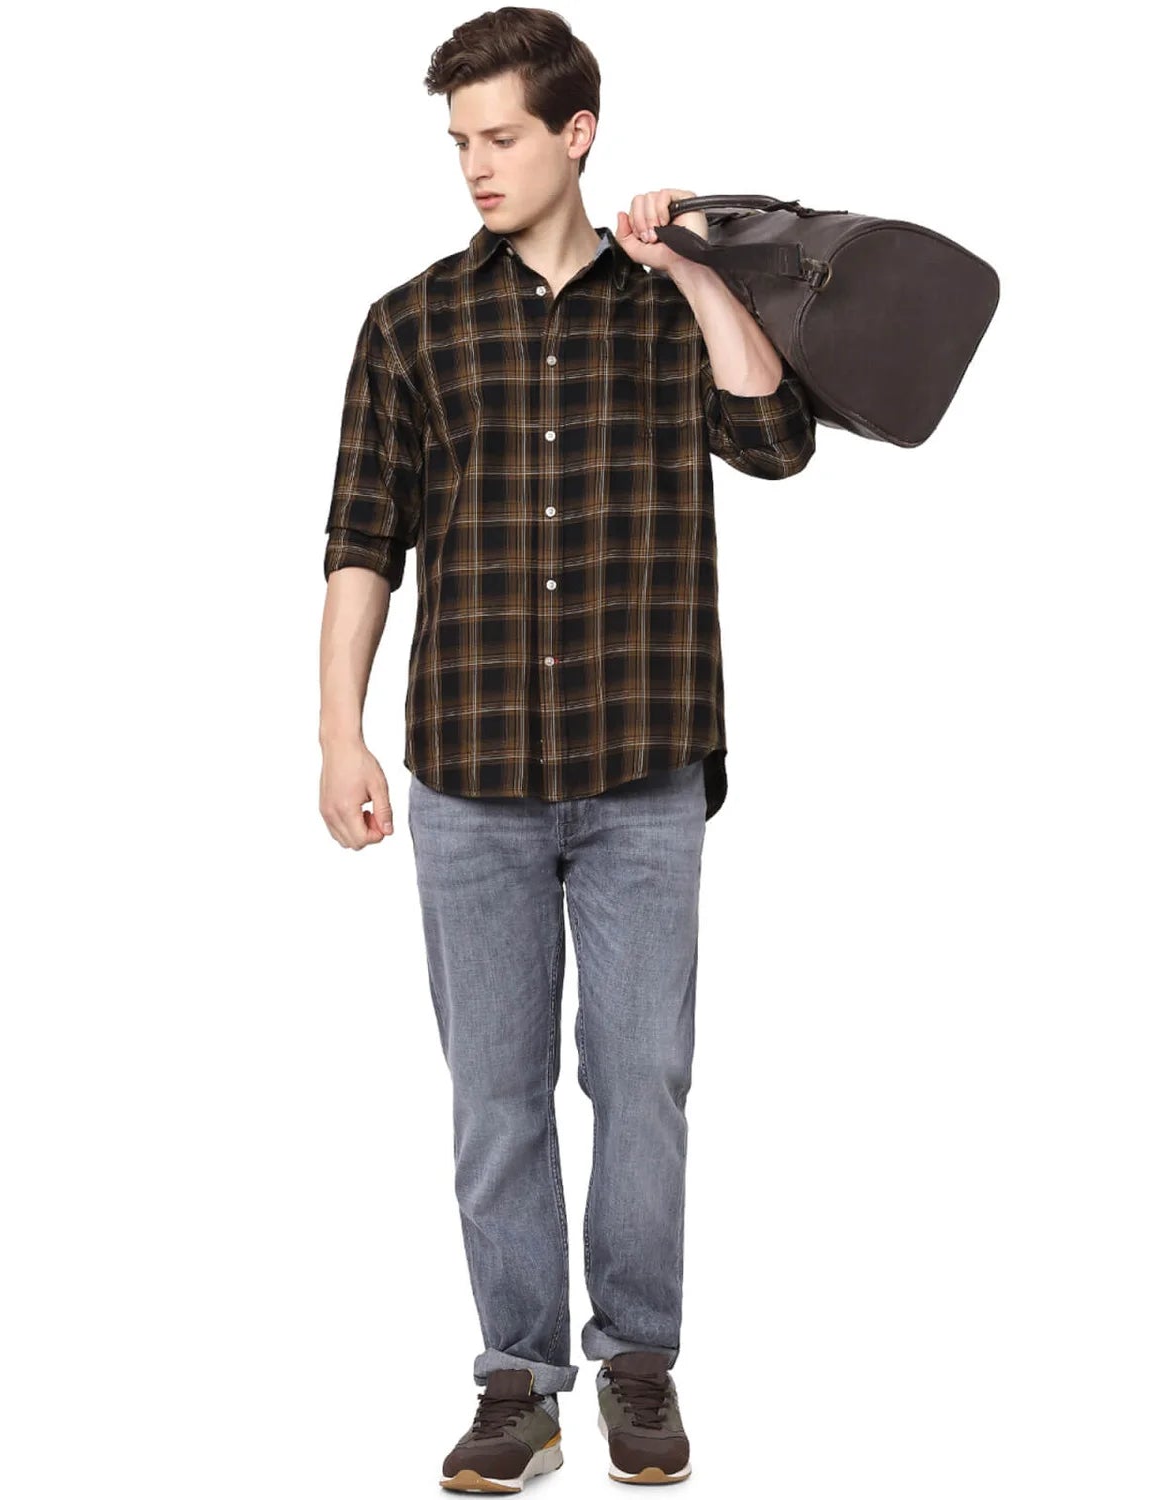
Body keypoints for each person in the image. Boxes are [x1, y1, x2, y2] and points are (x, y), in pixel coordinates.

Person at [318, 9, 816, 1489]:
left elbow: (775, 442)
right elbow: (362, 542)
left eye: (502, 136)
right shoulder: (410, 323)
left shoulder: (669, 307)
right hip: (469, 773)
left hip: (644, 766)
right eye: (459, 142)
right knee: (494, 1094)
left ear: (576, 134)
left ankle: (640, 1366)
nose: (475, 165)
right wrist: (336, 730)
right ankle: (519, 1383)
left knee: (643, 1077)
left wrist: (701, 270)